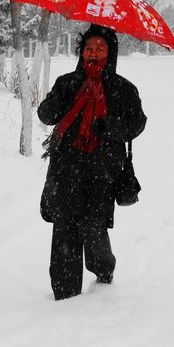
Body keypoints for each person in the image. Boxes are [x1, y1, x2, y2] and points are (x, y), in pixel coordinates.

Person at [37, 24, 146, 300]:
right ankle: (64, 294)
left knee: (93, 228)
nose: (93, 54)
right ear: (81, 52)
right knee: (64, 229)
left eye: (99, 49)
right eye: (88, 49)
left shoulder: (123, 89)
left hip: (102, 172)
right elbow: (46, 115)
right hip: (66, 169)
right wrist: (53, 103)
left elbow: (137, 123)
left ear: (110, 53)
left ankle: (103, 268)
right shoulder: (67, 82)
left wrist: (109, 127)